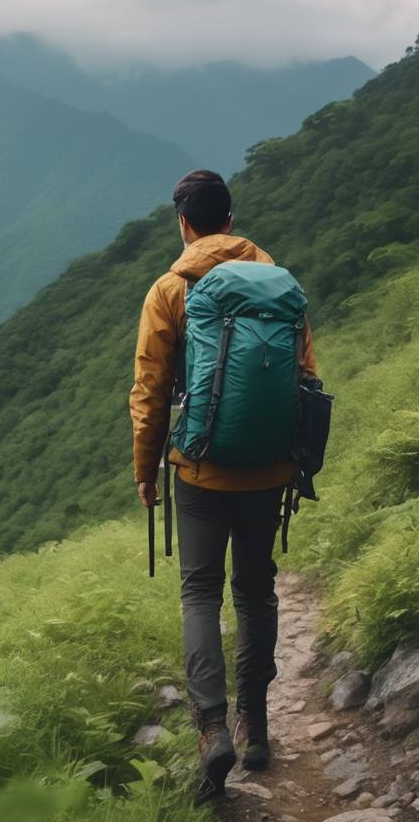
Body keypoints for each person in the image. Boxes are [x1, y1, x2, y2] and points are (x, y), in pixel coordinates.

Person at [129, 169, 318, 802]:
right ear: (231, 221)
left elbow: (151, 392)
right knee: (256, 591)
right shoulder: (281, 285)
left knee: (200, 593)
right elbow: (306, 379)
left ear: (183, 223)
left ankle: (212, 728)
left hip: (199, 471)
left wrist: (146, 470)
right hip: (269, 469)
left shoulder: (170, 288)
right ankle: (255, 725)